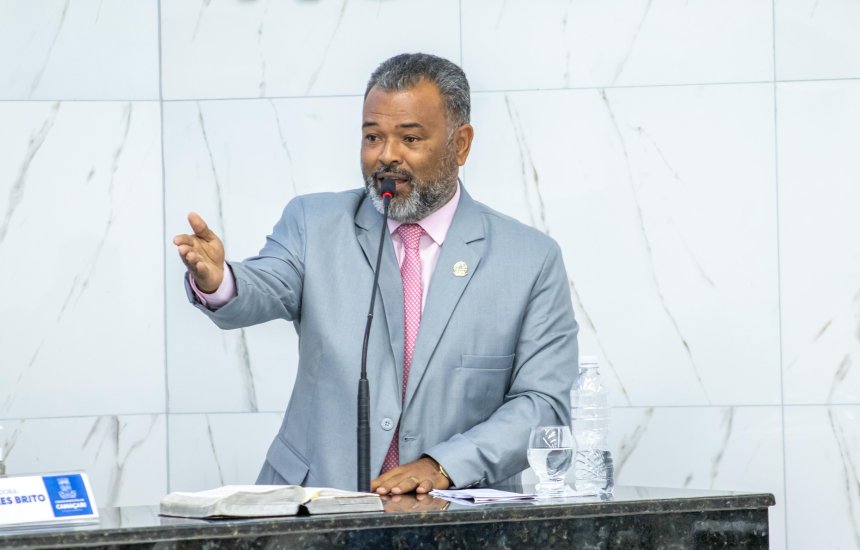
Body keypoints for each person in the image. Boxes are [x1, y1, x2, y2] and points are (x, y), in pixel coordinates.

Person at [173, 53, 579, 495]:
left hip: (454, 513)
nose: (386, 156)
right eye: (372, 137)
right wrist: (221, 281)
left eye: (410, 138)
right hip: (315, 505)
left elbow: (544, 405)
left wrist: (443, 465)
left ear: (460, 144)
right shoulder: (314, 223)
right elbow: (266, 284)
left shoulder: (529, 260)